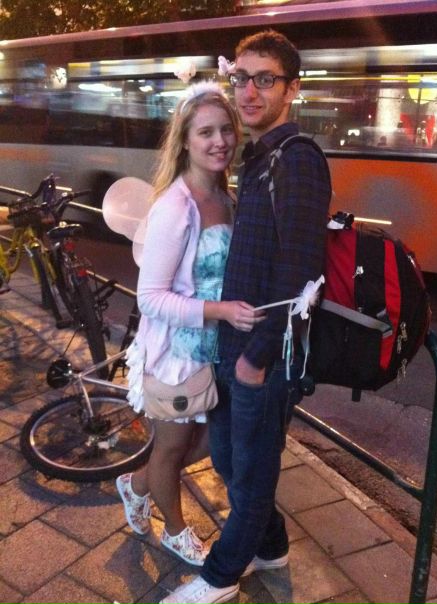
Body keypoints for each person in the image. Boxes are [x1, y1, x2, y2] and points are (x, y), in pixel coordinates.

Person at [160, 30, 331, 604]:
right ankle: (271, 548)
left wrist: (256, 360)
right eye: (242, 78)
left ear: (292, 88)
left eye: (265, 79)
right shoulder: (259, 159)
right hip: (235, 348)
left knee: (252, 474)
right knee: (233, 465)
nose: (250, 92)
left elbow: (300, 274)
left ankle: (219, 578)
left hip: (264, 356)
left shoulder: (298, 159)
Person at [116, 81, 264, 567]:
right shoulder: (175, 209)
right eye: (205, 132)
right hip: (175, 354)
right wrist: (223, 311)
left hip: (213, 350)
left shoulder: (225, 195)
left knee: (205, 443)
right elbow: (150, 297)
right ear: (184, 141)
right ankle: (175, 532)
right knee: (173, 448)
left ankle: (135, 485)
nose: (219, 141)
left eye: (226, 130)